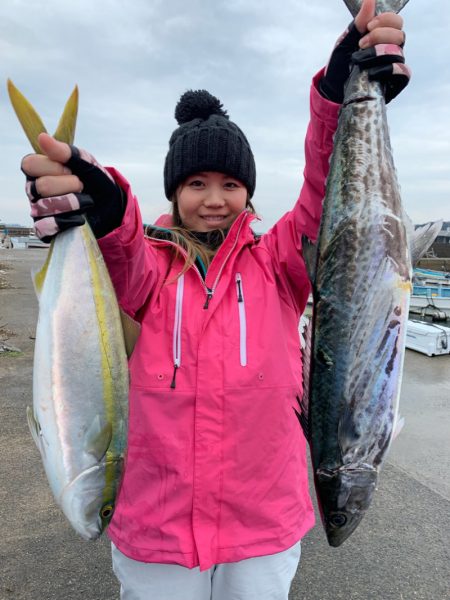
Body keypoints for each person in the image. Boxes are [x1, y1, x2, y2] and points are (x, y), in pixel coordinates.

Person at [21, 1, 409, 598]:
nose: (214, 199)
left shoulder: (279, 265)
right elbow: (120, 240)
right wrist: (96, 207)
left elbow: (321, 192)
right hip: (157, 535)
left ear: (248, 193)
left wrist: (339, 88)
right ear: (174, 191)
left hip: (264, 530)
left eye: (230, 184)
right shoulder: (146, 272)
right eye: (196, 183)